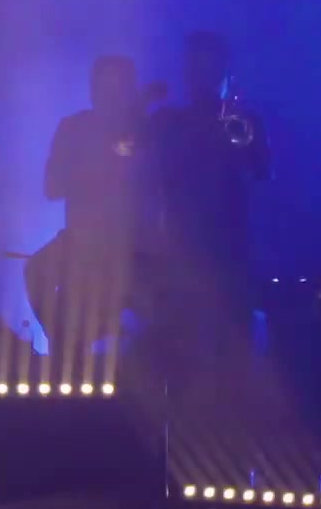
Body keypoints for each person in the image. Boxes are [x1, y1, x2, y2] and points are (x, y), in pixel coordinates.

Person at [24, 56, 161, 364]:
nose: (110, 95)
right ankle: (63, 340)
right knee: (35, 271)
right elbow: (52, 187)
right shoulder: (73, 127)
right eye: (104, 86)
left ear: (129, 90)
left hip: (130, 247)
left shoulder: (144, 129)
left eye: (119, 86)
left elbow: (143, 170)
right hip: (81, 242)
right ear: (92, 90)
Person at [149, 32, 271, 364]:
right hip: (182, 247)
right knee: (181, 346)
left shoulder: (244, 121)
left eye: (210, 67)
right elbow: (152, 170)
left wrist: (236, 127)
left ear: (224, 72)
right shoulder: (168, 121)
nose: (202, 76)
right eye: (196, 67)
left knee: (233, 348)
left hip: (230, 251)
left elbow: (263, 171)